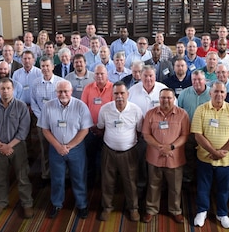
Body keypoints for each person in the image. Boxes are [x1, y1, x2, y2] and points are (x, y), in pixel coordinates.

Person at [191, 81, 229, 229]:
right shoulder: (201, 110)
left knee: (223, 189)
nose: (219, 94)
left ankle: (222, 213)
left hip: (226, 160)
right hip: (205, 158)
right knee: (203, 187)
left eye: (222, 92)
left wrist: (221, 153)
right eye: (216, 92)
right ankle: (202, 211)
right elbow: (197, 135)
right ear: (210, 93)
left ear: (226, 94)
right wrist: (213, 152)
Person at [40, 80, 92, 219]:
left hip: (76, 149)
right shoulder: (48, 106)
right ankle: (57, 203)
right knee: (57, 178)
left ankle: (82, 204)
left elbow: (85, 130)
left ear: (71, 91)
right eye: (60, 91)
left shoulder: (81, 106)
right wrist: (58, 146)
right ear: (56, 92)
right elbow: (45, 129)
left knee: (79, 178)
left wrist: (69, 146)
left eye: (66, 91)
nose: (63, 94)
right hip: (56, 149)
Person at [0, 77, 33, 219]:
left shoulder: (21, 106)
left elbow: (24, 130)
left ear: (13, 90)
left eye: (8, 88)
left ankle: (27, 204)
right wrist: (0, 145)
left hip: (18, 147)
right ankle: (1, 203)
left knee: (23, 177)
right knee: (1, 177)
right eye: (2, 89)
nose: (5, 91)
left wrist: (9, 146)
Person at [97, 82, 144, 222]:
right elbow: (101, 127)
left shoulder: (136, 110)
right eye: (116, 93)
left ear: (127, 94)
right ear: (112, 95)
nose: (119, 96)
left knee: (130, 181)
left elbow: (139, 130)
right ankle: (107, 207)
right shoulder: (105, 109)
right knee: (107, 180)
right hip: (109, 151)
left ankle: (133, 208)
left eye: (122, 93)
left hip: (129, 152)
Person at [142, 87, 189, 224]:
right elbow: (146, 134)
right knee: (153, 184)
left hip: (174, 158)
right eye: (163, 98)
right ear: (159, 99)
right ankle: (151, 209)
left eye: (169, 98)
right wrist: (160, 147)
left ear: (174, 99)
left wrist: (171, 147)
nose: (165, 100)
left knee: (175, 187)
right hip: (154, 156)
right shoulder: (150, 114)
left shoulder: (182, 114)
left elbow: (185, 135)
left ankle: (175, 210)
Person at [29, 58, 64, 180]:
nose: (45, 69)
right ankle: (46, 174)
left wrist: (53, 119)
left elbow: (64, 103)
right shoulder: (35, 83)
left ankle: (61, 174)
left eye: (47, 66)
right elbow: (33, 103)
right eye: (42, 66)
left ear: (53, 67)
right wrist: (43, 119)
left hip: (58, 122)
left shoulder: (61, 82)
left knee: (59, 147)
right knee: (44, 150)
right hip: (42, 123)